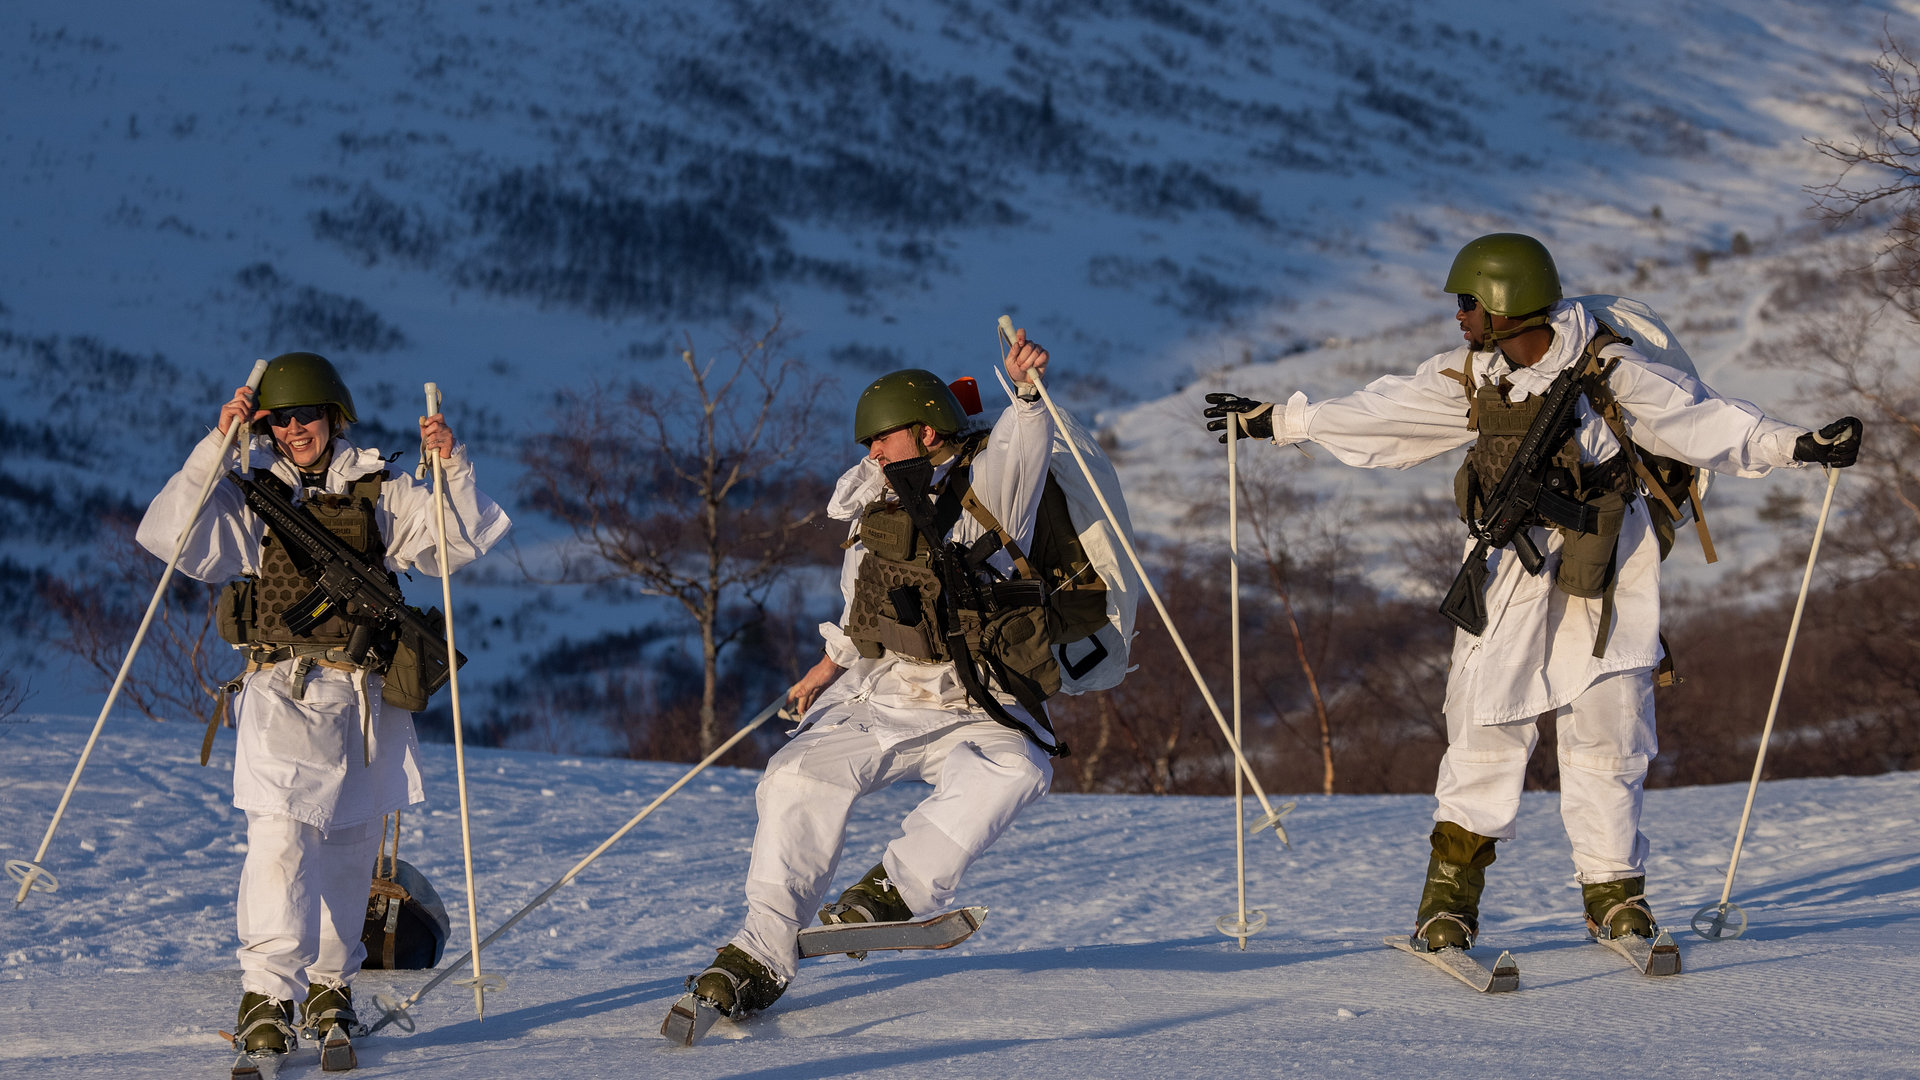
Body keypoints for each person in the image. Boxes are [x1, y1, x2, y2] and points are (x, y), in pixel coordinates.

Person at [1202, 233, 1862, 953]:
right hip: (1507, 574)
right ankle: (1448, 903)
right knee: (1485, 728)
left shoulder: (1612, 371)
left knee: (1611, 730)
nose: (1459, 316)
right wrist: (1279, 420)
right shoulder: (1470, 379)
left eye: (1469, 302)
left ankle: (1615, 893)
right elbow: (1379, 414)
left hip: (1608, 571)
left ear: (1505, 304)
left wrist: (1797, 445)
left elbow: (1704, 421)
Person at [136, 352, 510, 1062]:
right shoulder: (251, 493)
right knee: (279, 842)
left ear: (334, 416)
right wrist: (217, 449)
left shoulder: (381, 489)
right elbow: (174, 534)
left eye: (304, 415)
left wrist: (449, 468)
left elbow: (452, 543)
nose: (292, 429)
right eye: (277, 419)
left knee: (348, 849)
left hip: (364, 700)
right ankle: (267, 995)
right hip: (278, 692)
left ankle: (330, 987)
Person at [683, 329, 1061, 1019]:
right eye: (867, 445)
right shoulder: (873, 510)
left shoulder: (989, 495)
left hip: (980, 699)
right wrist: (827, 666)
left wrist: (1027, 393)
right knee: (795, 776)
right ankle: (758, 949)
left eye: (881, 440)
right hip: (888, 693)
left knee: (1020, 770)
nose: (870, 453)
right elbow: (863, 609)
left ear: (926, 431)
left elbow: (1022, 448)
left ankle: (896, 890)